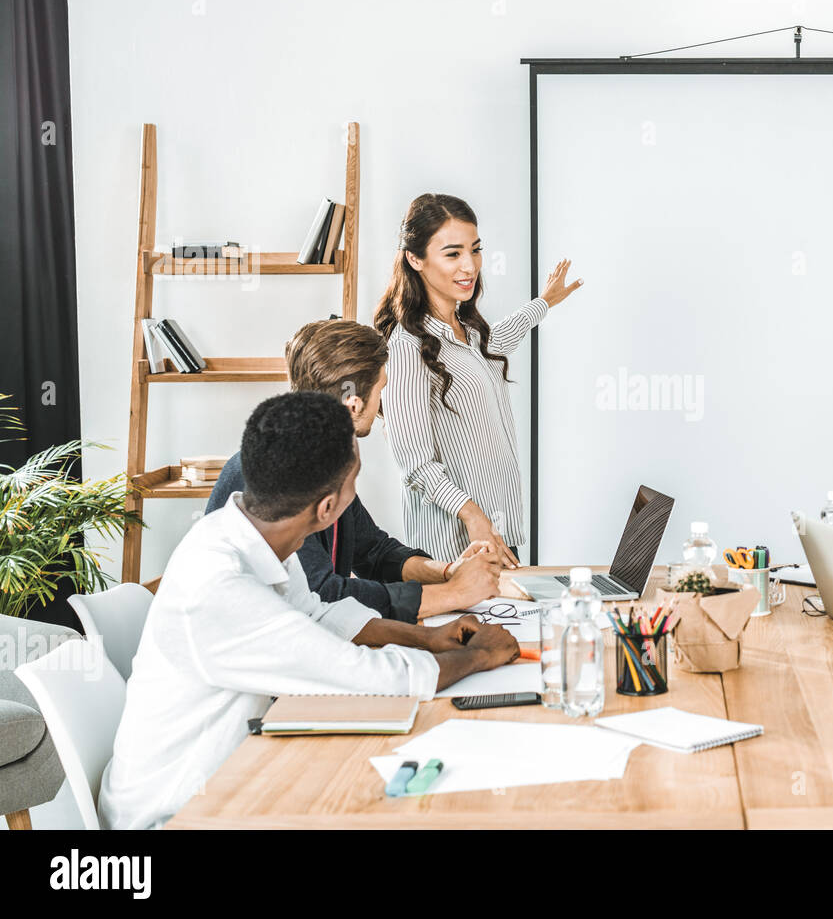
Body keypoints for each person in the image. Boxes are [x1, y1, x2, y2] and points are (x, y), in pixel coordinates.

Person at [100, 392, 519, 829]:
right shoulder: (221, 586)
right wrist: (479, 656)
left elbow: (317, 616)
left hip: (236, 776)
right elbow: (374, 678)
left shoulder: (249, 537)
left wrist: (429, 637)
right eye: (355, 479)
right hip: (177, 815)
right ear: (327, 509)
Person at [206, 319, 500, 622]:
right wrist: (454, 594)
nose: (382, 406)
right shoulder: (273, 473)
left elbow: (373, 551)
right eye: (380, 390)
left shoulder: (322, 460)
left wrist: (447, 572)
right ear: (353, 405)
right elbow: (321, 596)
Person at [375, 193, 583, 567]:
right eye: (452, 254)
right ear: (415, 258)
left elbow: (502, 337)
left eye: (475, 249)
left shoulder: (469, 333)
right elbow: (415, 462)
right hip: (455, 547)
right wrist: (472, 515)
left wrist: (544, 303)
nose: (469, 266)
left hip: (497, 534)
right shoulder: (406, 348)